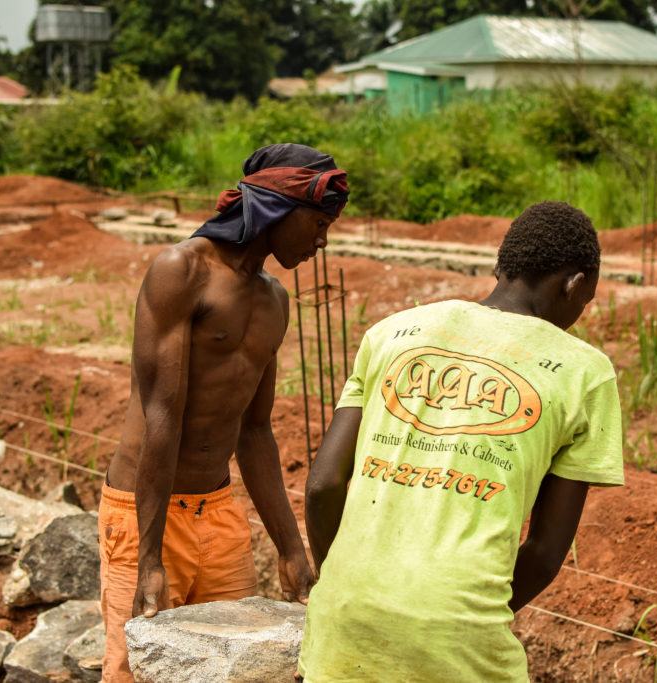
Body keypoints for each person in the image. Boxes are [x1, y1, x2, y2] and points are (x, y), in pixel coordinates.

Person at [299, 201, 624, 682]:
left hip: (342, 625)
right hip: (461, 642)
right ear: (576, 285)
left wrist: (339, 583)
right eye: (587, 299)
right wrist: (455, 614)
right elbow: (544, 552)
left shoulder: (391, 333)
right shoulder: (585, 373)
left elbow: (324, 484)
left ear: (501, 268)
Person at [100, 143, 347, 682]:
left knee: (240, 671)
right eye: (318, 223)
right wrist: (149, 558)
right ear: (277, 209)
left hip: (218, 513)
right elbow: (162, 414)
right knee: (132, 672)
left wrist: (290, 548)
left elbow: (256, 432)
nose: (322, 241)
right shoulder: (180, 272)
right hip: (145, 513)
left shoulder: (274, 300)